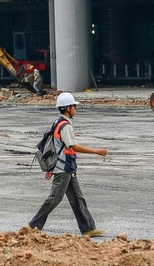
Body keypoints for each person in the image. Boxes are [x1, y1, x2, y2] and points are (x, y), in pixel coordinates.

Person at [28, 91, 107, 237]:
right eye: (74, 107)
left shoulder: (58, 122)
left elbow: (56, 147)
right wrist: (97, 151)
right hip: (63, 169)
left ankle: (88, 229)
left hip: (67, 168)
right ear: (68, 108)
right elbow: (73, 146)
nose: (76, 109)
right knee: (54, 199)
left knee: (78, 199)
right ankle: (33, 226)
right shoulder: (65, 126)